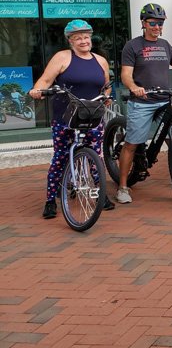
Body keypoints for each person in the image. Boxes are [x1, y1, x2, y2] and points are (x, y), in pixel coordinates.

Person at [116, 3, 172, 204]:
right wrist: (133, 87)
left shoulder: (165, 45)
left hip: (164, 99)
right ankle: (122, 186)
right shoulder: (132, 46)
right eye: (153, 23)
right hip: (142, 101)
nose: (157, 27)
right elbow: (126, 75)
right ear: (143, 24)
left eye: (160, 23)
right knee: (132, 143)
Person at [29, 19, 114, 219]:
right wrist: (37, 89)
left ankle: (101, 194)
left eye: (86, 37)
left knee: (96, 156)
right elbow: (46, 80)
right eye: (79, 38)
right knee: (60, 157)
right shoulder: (62, 57)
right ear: (71, 41)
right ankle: (50, 200)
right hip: (65, 117)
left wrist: (108, 96)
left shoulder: (99, 60)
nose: (84, 41)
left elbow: (106, 85)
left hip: (92, 115)